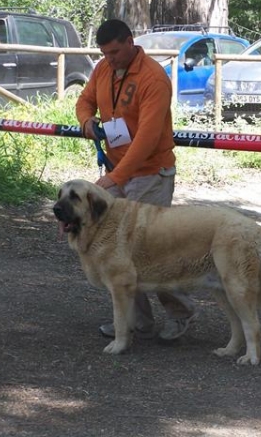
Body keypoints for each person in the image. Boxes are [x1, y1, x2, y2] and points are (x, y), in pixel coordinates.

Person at [76, 18, 197, 342]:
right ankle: (134, 319)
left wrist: (115, 177)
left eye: (114, 52)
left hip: (150, 174)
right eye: (104, 53)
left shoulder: (153, 78)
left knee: (153, 248)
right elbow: (84, 100)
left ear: (130, 42)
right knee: (118, 248)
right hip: (118, 170)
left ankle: (181, 312)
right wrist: (86, 119)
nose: (109, 58)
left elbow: (147, 137)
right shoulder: (103, 68)